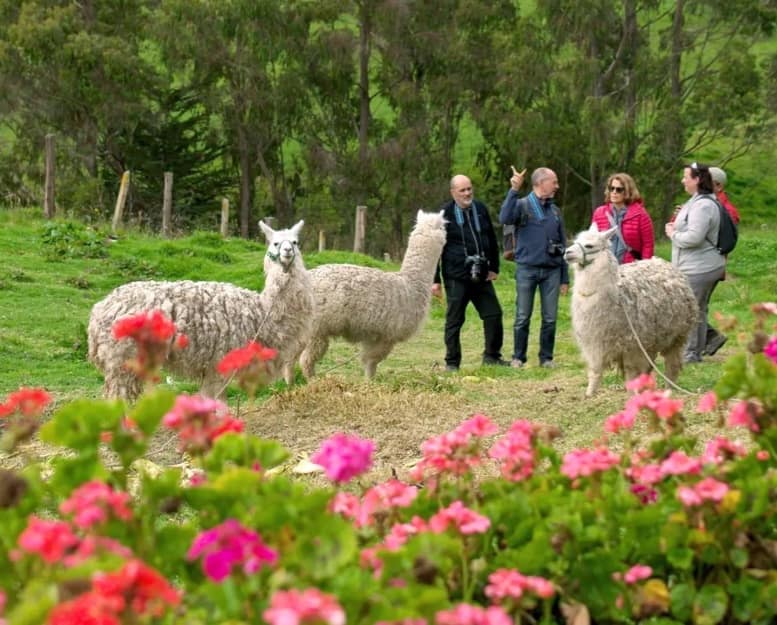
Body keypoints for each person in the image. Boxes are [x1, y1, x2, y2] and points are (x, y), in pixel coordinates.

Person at [432, 174, 508, 371]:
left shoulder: (480, 209)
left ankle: (492, 356)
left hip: (481, 273)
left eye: (469, 189)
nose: (467, 193)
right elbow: (434, 248)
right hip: (456, 275)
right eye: (462, 190)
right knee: (455, 320)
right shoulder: (444, 214)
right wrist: (435, 280)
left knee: (493, 314)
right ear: (453, 193)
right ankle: (452, 362)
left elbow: (491, 238)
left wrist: (494, 267)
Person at [499, 167, 569, 368]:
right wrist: (514, 190)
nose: (557, 186)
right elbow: (504, 218)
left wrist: (565, 278)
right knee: (522, 316)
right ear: (541, 183)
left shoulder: (555, 211)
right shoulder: (521, 205)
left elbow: (563, 244)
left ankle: (546, 358)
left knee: (550, 317)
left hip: (552, 271)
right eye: (553, 182)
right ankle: (518, 357)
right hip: (527, 269)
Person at [664, 162, 726, 363]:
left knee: (690, 311)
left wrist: (673, 234)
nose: (683, 180)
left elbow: (694, 237)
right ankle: (697, 350)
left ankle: (691, 353)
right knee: (697, 309)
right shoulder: (697, 201)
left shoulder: (704, 205)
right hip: (698, 265)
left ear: (697, 180)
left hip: (700, 267)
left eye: (686, 177)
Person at [703, 166, 741, 356]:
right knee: (697, 304)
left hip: (710, 264)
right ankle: (704, 340)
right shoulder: (703, 202)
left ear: (717, 185)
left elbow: (726, 241)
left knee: (695, 305)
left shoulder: (726, 210)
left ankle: (710, 338)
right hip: (700, 262)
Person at [591, 173, 654, 264]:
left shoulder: (641, 215)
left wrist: (645, 266)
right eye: (611, 188)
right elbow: (592, 241)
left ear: (628, 191)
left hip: (631, 268)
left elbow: (648, 245)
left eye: (619, 189)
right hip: (606, 268)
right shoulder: (599, 213)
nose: (614, 192)